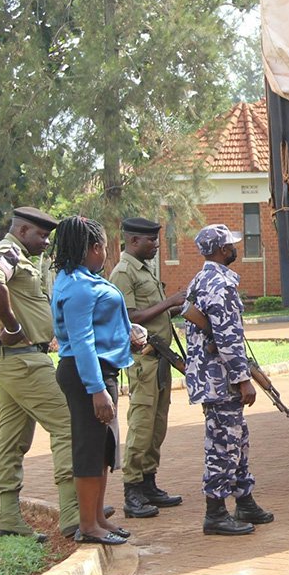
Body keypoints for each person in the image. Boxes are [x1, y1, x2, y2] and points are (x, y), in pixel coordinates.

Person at [0, 207, 78, 542]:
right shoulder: (7, 253)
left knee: (13, 438)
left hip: (16, 359)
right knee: (67, 424)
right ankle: (74, 512)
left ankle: (8, 518)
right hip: (22, 359)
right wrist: (12, 325)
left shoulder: (19, 255)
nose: (46, 243)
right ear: (22, 232)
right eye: (41, 235)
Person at [51, 216, 137, 545]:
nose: (104, 252)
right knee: (89, 449)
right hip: (88, 374)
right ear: (92, 248)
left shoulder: (81, 279)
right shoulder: (78, 287)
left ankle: (99, 517)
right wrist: (97, 389)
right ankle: (88, 526)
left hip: (101, 369)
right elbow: (82, 341)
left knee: (103, 449)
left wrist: (127, 334)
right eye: (100, 245)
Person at [185, 224, 275, 535]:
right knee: (223, 445)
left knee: (237, 440)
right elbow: (227, 337)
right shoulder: (219, 283)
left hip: (214, 377)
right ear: (222, 250)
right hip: (220, 379)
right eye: (231, 245)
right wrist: (243, 378)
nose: (234, 248)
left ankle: (244, 500)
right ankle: (216, 512)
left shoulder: (203, 278)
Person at [110, 217, 186, 519]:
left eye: (156, 240)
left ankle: (149, 483)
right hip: (144, 362)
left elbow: (152, 313)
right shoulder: (124, 272)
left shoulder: (144, 269)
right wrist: (168, 303)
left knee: (157, 425)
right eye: (151, 241)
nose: (156, 245)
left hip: (161, 359)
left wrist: (173, 307)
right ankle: (132, 492)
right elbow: (130, 317)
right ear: (132, 241)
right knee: (142, 425)